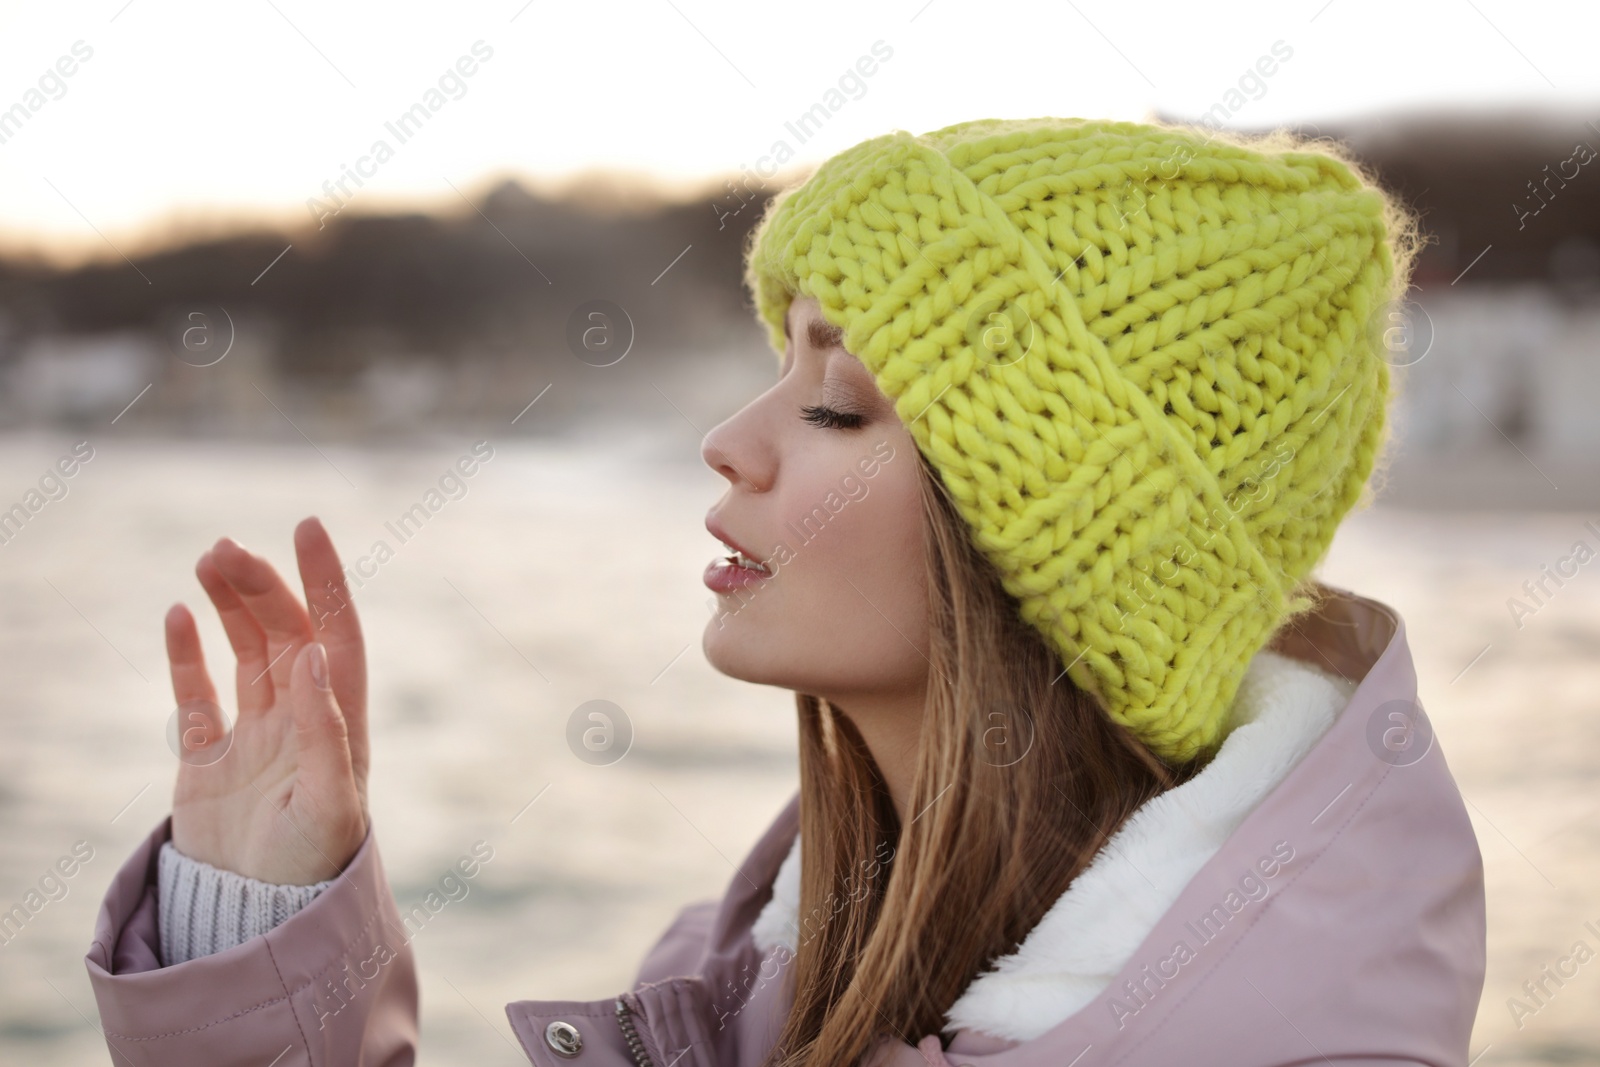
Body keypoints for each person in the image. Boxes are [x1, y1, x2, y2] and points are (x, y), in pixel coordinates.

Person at [83, 116, 1487, 1066]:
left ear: (1054, 548)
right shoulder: (755, 959)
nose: (728, 441)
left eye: (836, 408)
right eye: (781, 368)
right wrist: (258, 929)